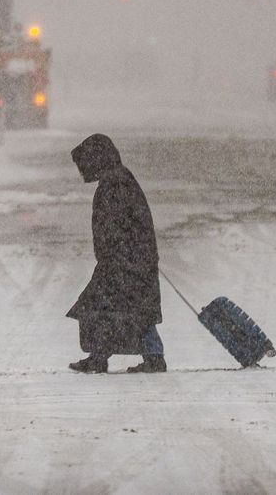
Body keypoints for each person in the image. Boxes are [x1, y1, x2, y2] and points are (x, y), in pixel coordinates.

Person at [67, 134, 166, 374]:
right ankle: (146, 357)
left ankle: (103, 357)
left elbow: (114, 225)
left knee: (104, 308)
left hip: (124, 261)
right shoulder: (119, 179)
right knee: (129, 310)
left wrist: (119, 254)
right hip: (129, 259)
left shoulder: (115, 185)